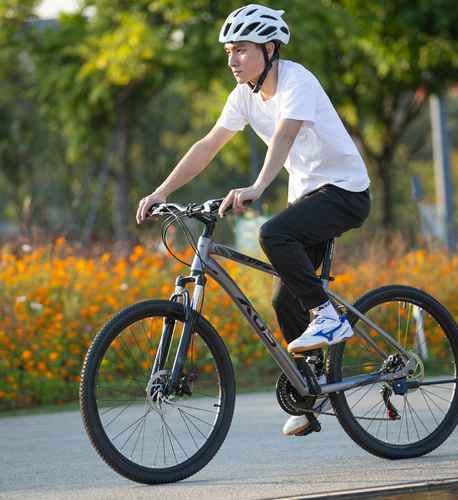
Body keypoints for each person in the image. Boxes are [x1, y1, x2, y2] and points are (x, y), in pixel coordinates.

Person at [137, 4, 371, 436]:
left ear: (269, 48)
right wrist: (162, 192)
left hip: (345, 192)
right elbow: (208, 145)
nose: (231, 60)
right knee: (284, 299)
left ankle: (329, 315)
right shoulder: (244, 95)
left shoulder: (297, 80)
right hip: (308, 197)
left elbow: (284, 133)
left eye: (241, 50)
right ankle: (311, 388)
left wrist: (258, 186)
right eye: (229, 51)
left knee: (272, 233)